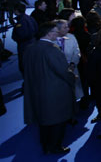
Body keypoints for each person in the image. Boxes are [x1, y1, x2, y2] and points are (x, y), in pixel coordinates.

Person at [23, 21, 75, 154]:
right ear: (49, 34)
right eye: (55, 32)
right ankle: (55, 146)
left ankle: (46, 145)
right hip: (55, 92)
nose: (58, 34)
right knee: (58, 122)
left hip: (36, 90)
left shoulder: (30, 48)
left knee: (44, 121)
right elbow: (63, 71)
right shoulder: (52, 49)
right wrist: (72, 76)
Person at [12, 3, 38, 75]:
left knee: (25, 66)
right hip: (32, 43)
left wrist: (15, 37)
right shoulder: (30, 18)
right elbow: (36, 29)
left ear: (16, 11)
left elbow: (21, 35)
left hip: (24, 46)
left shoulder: (21, 21)